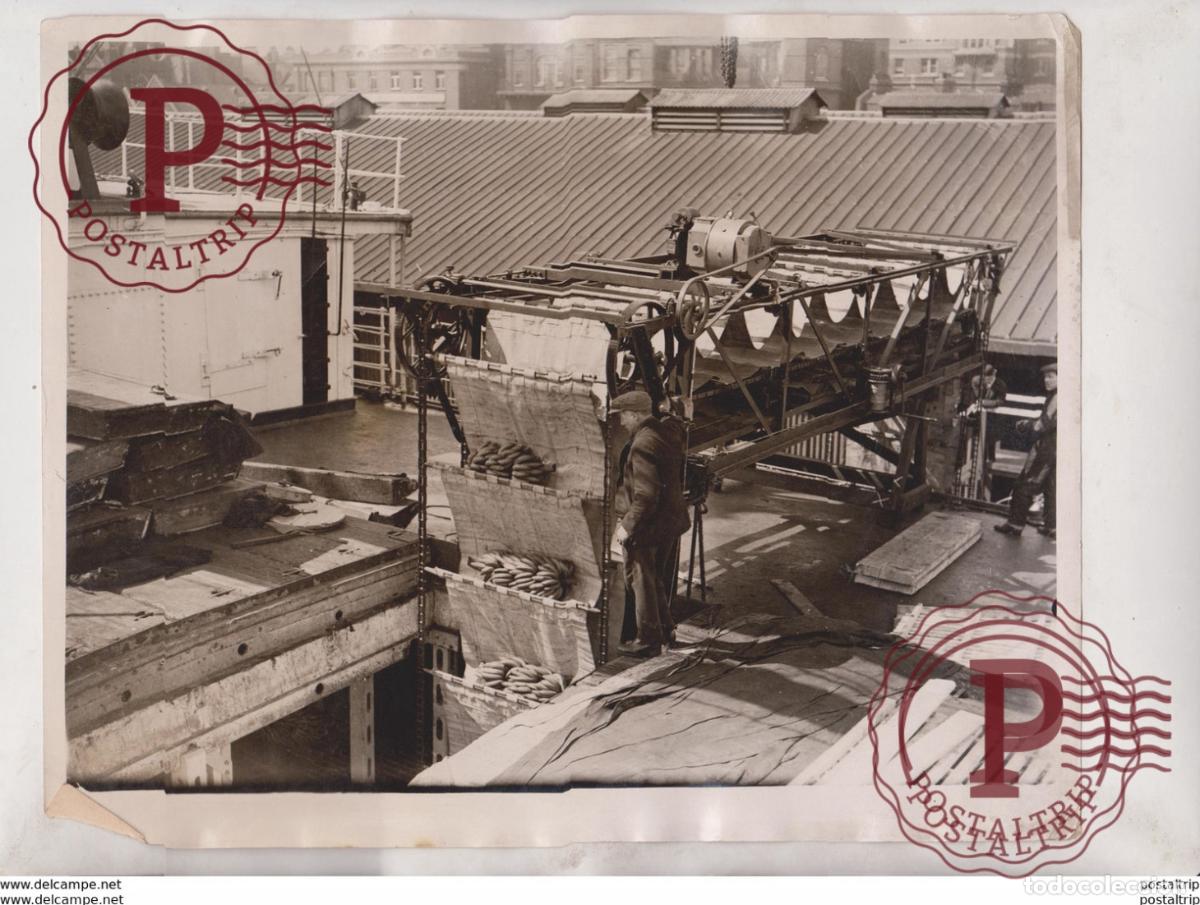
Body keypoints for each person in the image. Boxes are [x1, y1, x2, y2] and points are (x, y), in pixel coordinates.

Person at [611, 390, 691, 658]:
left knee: (639, 579)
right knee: (654, 578)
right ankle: (666, 630)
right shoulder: (664, 432)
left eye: (623, 416)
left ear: (634, 414)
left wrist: (626, 527)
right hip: (669, 521)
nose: (621, 422)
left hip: (649, 524)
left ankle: (647, 641)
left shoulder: (643, 444)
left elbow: (646, 495)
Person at [995, 362, 1057, 538]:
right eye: (1045, 377)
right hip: (1058, 449)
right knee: (1051, 488)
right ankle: (1052, 527)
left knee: (1025, 483)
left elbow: (1041, 425)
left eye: (1051, 377)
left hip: (1046, 449)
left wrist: (1025, 425)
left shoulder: (1057, 398)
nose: (1047, 380)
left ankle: (1015, 524)